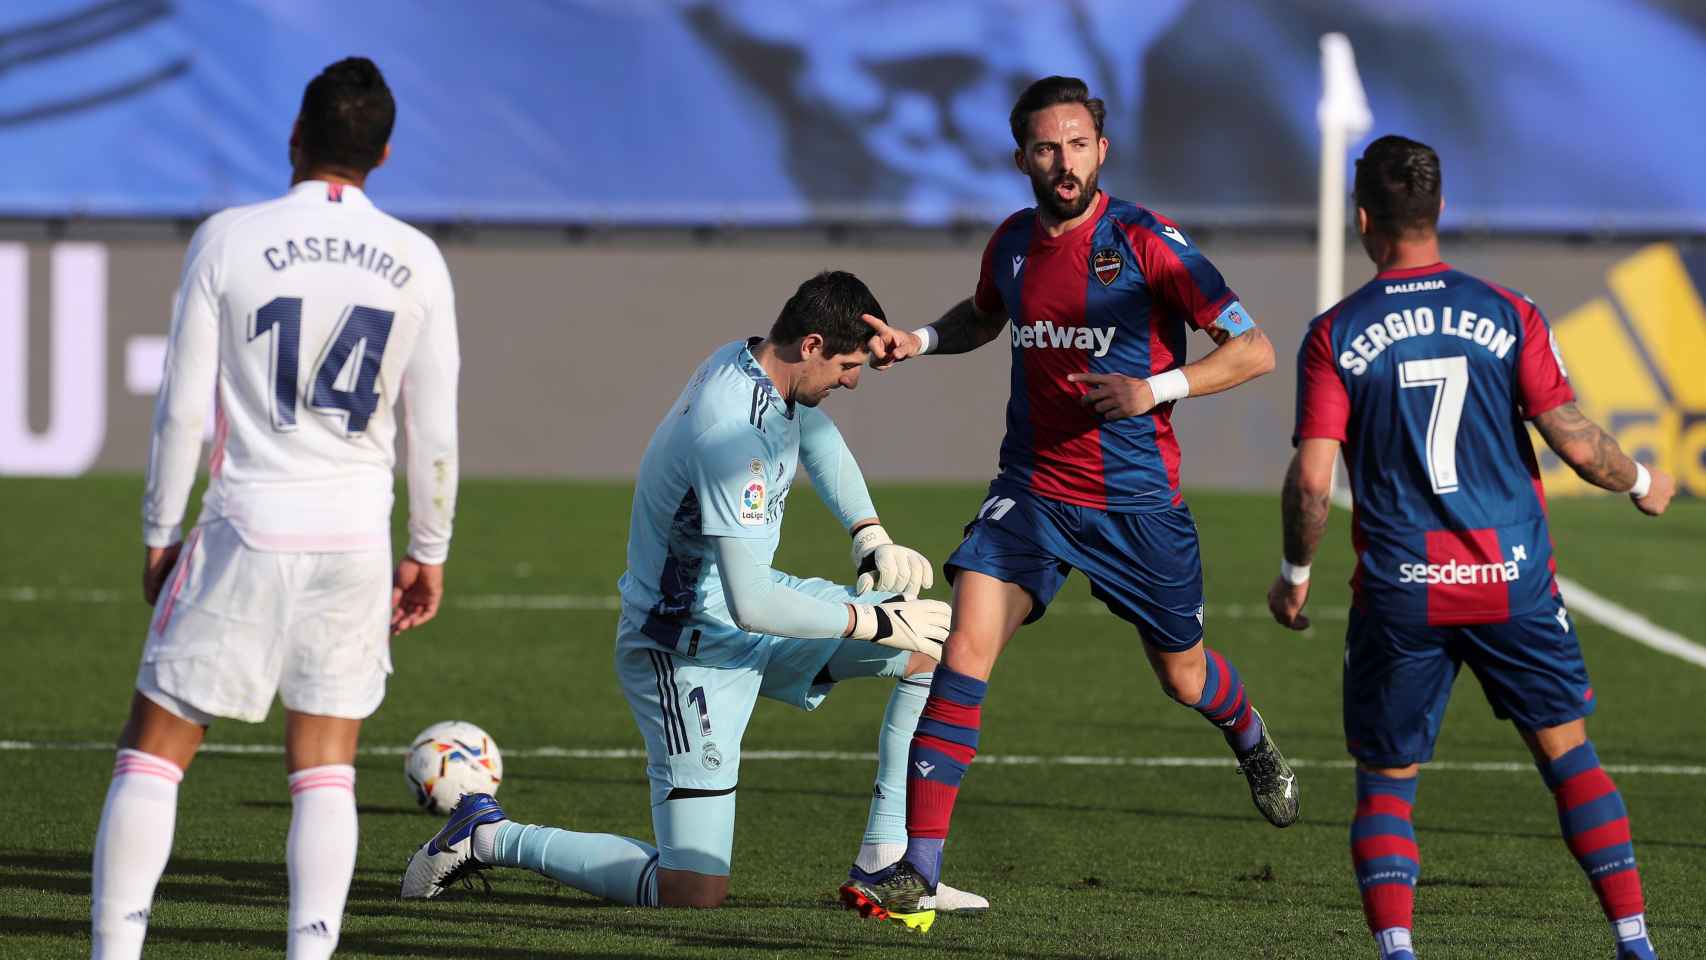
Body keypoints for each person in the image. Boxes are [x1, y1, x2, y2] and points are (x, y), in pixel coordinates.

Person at [847, 75, 1293, 933]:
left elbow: (1256, 349)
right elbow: (986, 317)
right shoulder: (1012, 244)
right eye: (1047, 147)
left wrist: (1156, 388)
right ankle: (919, 866)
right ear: (1021, 157)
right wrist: (922, 340)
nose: (1063, 161)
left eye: (1078, 144)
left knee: (1184, 675)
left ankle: (1250, 736)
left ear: (1103, 150)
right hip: (1033, 490)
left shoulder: (1148, 242)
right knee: (964, 644)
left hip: (1136, 506)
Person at [401, 270, 987, 914]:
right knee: (692, 891)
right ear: (812, 344)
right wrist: (873, 623)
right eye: (848, 365)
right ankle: (487, 836)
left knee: (930, 643)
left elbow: (811, 433)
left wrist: (868, 532)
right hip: (684, 651)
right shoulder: (729, 432)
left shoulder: (754, 362)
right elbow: (753, 604)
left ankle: (884, 859)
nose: (853, 380)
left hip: (741, 611)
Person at [91, 58, 460, 960]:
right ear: (383, 152)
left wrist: (157, 533)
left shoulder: (227, 238)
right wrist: (428, 547)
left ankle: (115, 949)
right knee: (324, 764)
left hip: (246, 524)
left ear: (294, 137)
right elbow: (435, 426)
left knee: (156, 749)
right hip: (353, 540)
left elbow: (182, 409)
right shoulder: (417, 257)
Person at [1270, 134, 1671, 960]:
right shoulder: (1508, 310)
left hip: (1402, 591)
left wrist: (1294, 574)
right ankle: (1634, 940)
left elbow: (1313, 483)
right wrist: (1640, 482)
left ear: (1362, 218)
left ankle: (1398, 951)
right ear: (1439, 210)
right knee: (1570, 757)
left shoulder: (1335, 332)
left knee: (1387, 782)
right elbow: (1574, 440)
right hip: (1512, 580)